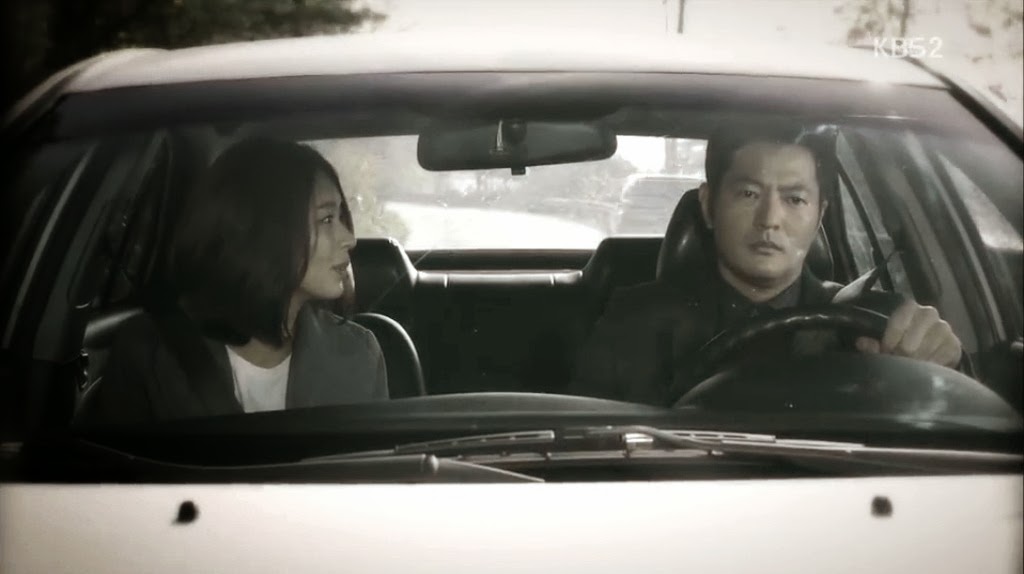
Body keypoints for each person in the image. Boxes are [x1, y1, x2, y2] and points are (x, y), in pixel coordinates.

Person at [571, 122, 962, 406]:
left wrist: (938, 365)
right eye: (748, 194)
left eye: (794, 199)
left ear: (820, 214)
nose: (770, 219)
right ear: (708, 205)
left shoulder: (873, 323)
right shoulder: (632, 322)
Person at [81, 138, 389, 424]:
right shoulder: (148, 351)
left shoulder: (359, 355)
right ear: (265, 231)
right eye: (326, 219)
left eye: (341, 217)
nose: (350, 239)